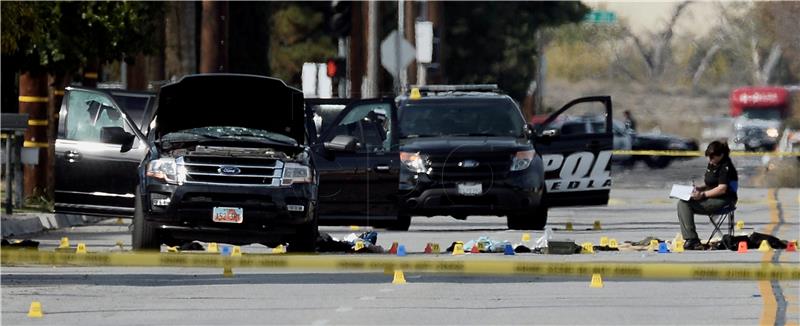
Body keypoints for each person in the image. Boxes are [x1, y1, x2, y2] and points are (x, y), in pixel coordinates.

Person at [677, 141, 738, 250]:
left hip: (723, 200)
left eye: (712, 158)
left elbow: (722, 189)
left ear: (721, 155)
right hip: (711, 196)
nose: (709, 160)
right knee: (683, 201)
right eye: (708, 157)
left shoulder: (725, 166)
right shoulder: (712, 163)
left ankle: (692, 240)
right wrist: (699, 188)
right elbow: (710, 183)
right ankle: (691, 239)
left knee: (684, 204)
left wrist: (703, 195)